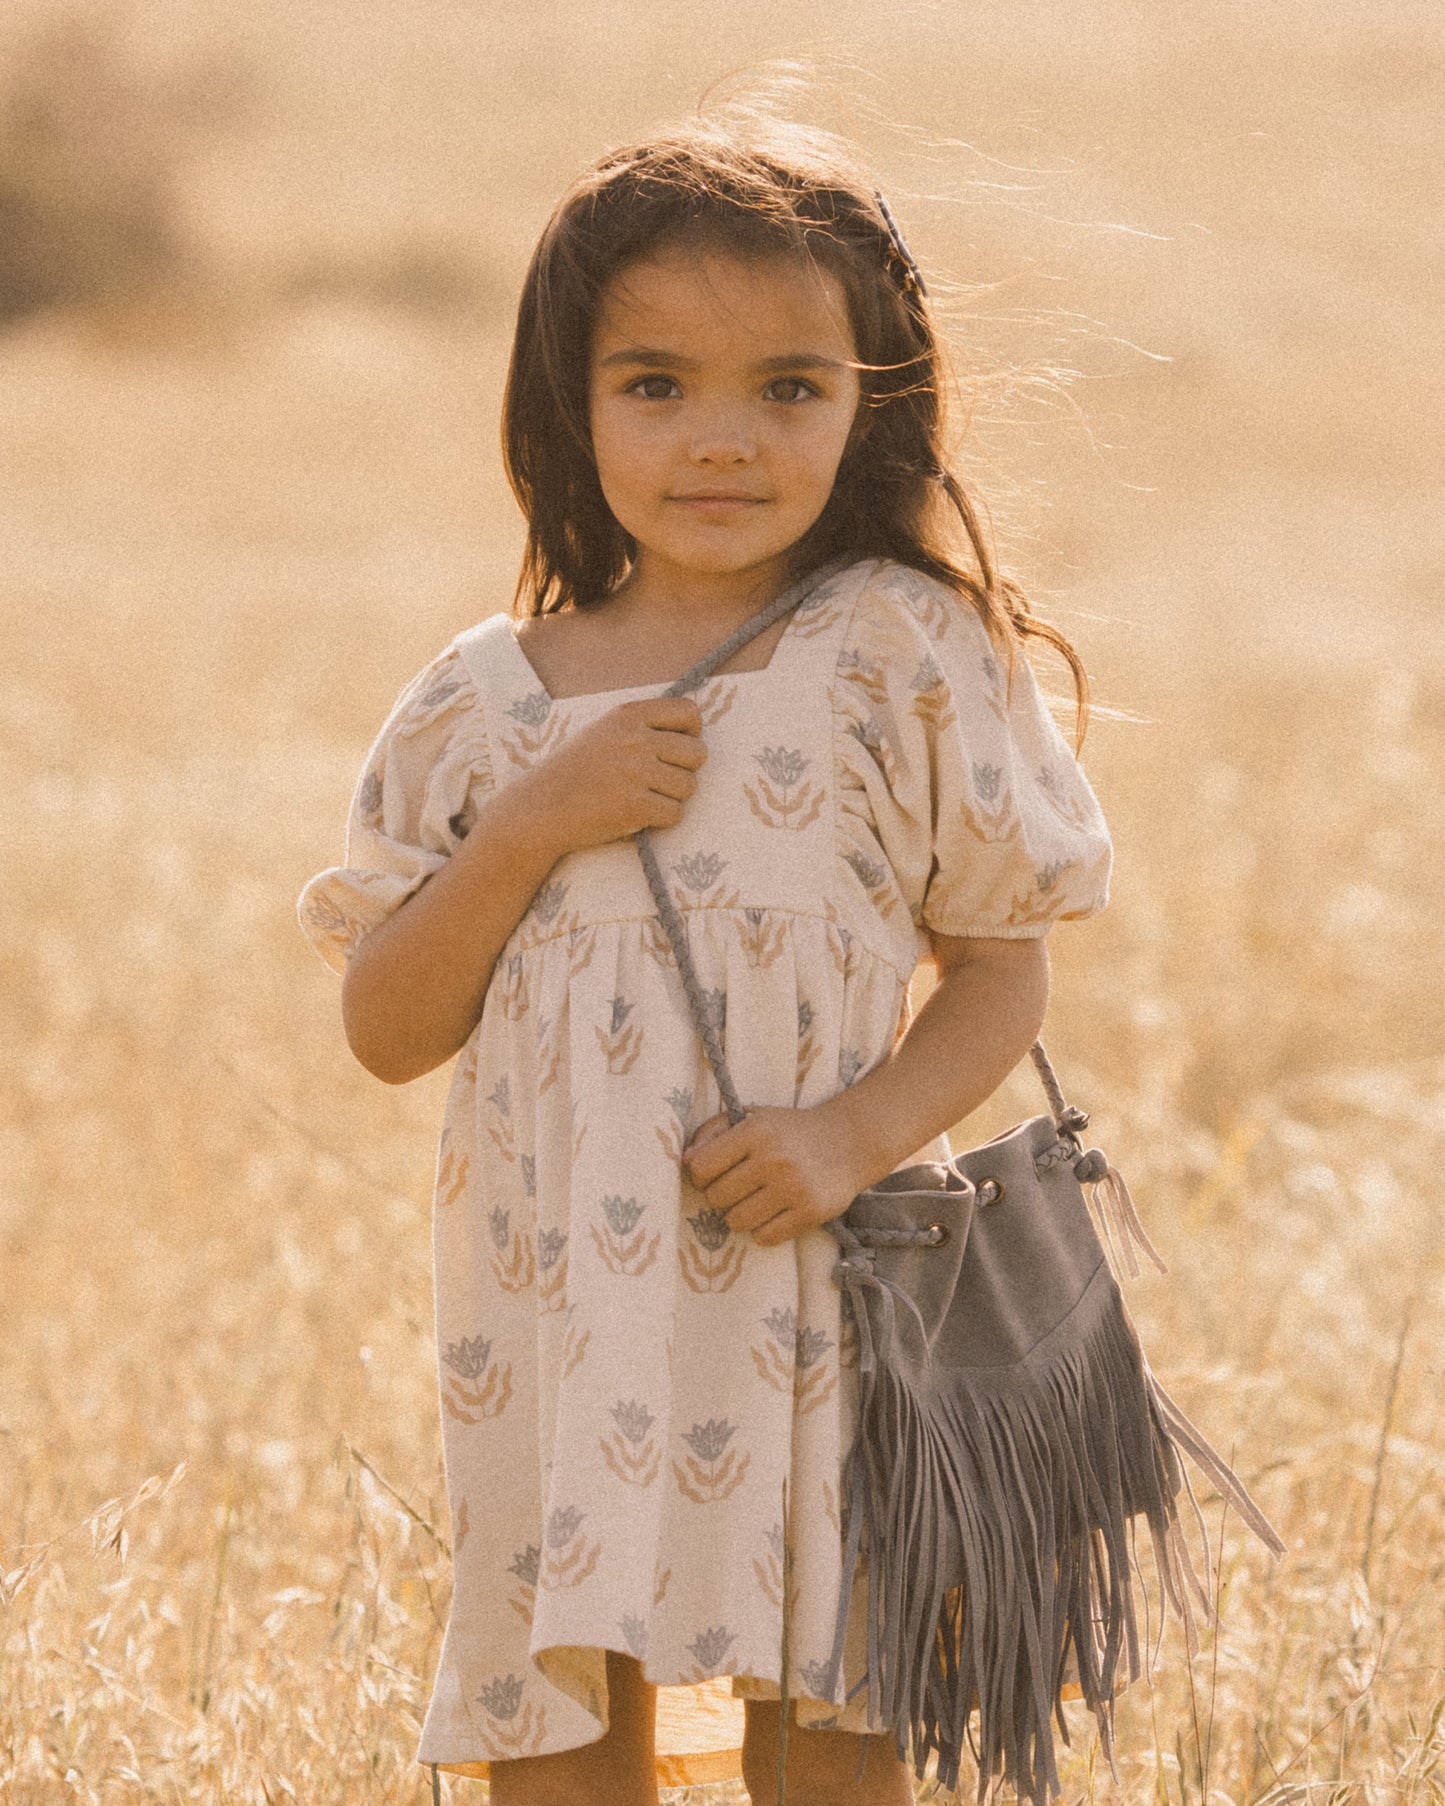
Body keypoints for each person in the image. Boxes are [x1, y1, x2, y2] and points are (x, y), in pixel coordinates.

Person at [298, 112, 1112, 1806]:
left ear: (867, 402)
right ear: (564, 407)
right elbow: (385, 1025)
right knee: (562, 1717)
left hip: (817, 1278)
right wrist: (531, 820)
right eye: (654, 385)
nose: (718, 442)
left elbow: (999, 969)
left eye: (788, 389)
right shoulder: (478, 702)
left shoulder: (898, 649)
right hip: (553, 1312)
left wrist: (842, 1139)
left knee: (823, 1722)